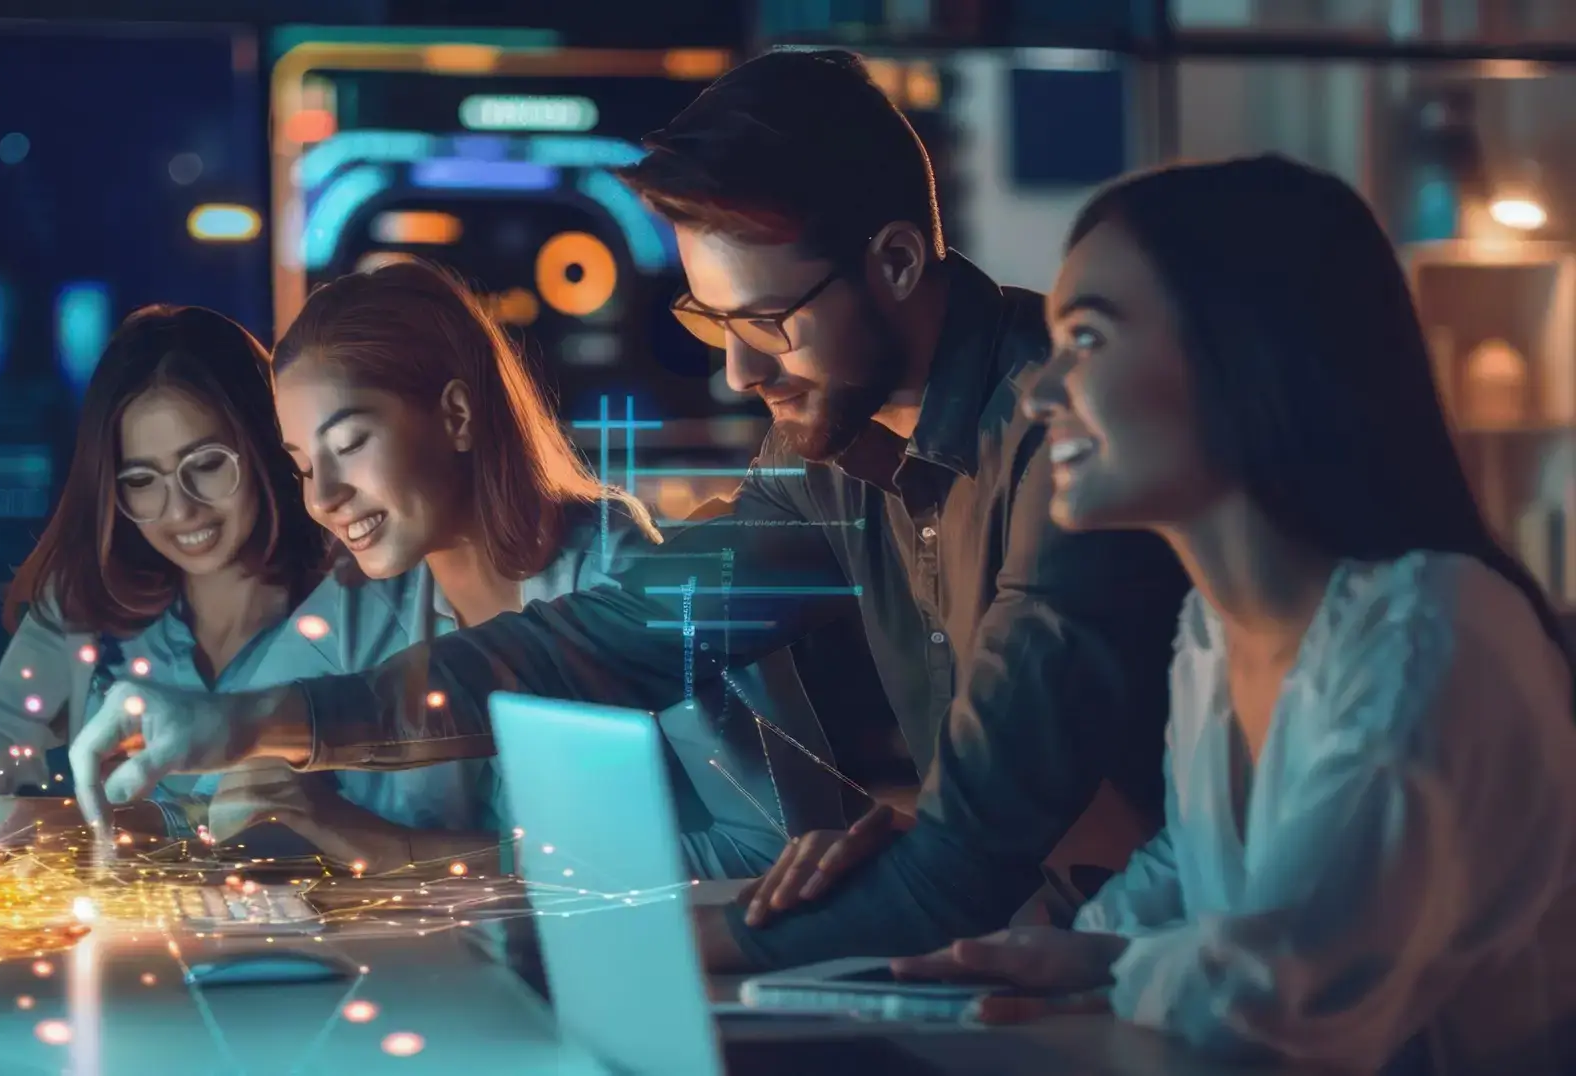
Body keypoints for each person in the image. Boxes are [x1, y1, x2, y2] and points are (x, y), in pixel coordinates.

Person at [69, 49, 1191, 971]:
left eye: (767, 321)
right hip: (1051, 950)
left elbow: (967, 860)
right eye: (710, 325)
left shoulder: (1062, 425)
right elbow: (607, 637)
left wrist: (647, 936)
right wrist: (250, 721)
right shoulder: (833, 449)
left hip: (1185, 975)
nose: (740, 374)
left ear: (897, 259)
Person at [891, 156, 1576, 1074]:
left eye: (1086, 341)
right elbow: (1206, 865)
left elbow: (1276, 999)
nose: (1040, 393)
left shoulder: (1428, 631)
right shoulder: (1213, 635)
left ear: (1245, 349)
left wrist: (1115, 962)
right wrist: (1069, 950)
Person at [206, 258, 845, 878]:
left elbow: (774, 851)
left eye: (349, 445)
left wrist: (407, 853)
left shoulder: (630, 579)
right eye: (305, 467)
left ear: (456, 416)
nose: (322, 497)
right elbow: (211, 783)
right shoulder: (361, 610)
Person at [0, 305, 322, 867]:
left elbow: (320, 828)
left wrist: (83, 824)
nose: (181, 509)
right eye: (142, 480)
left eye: (207, 463)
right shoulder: (86, 600)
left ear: (268, 445)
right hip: (120, 941)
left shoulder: (344, 607)